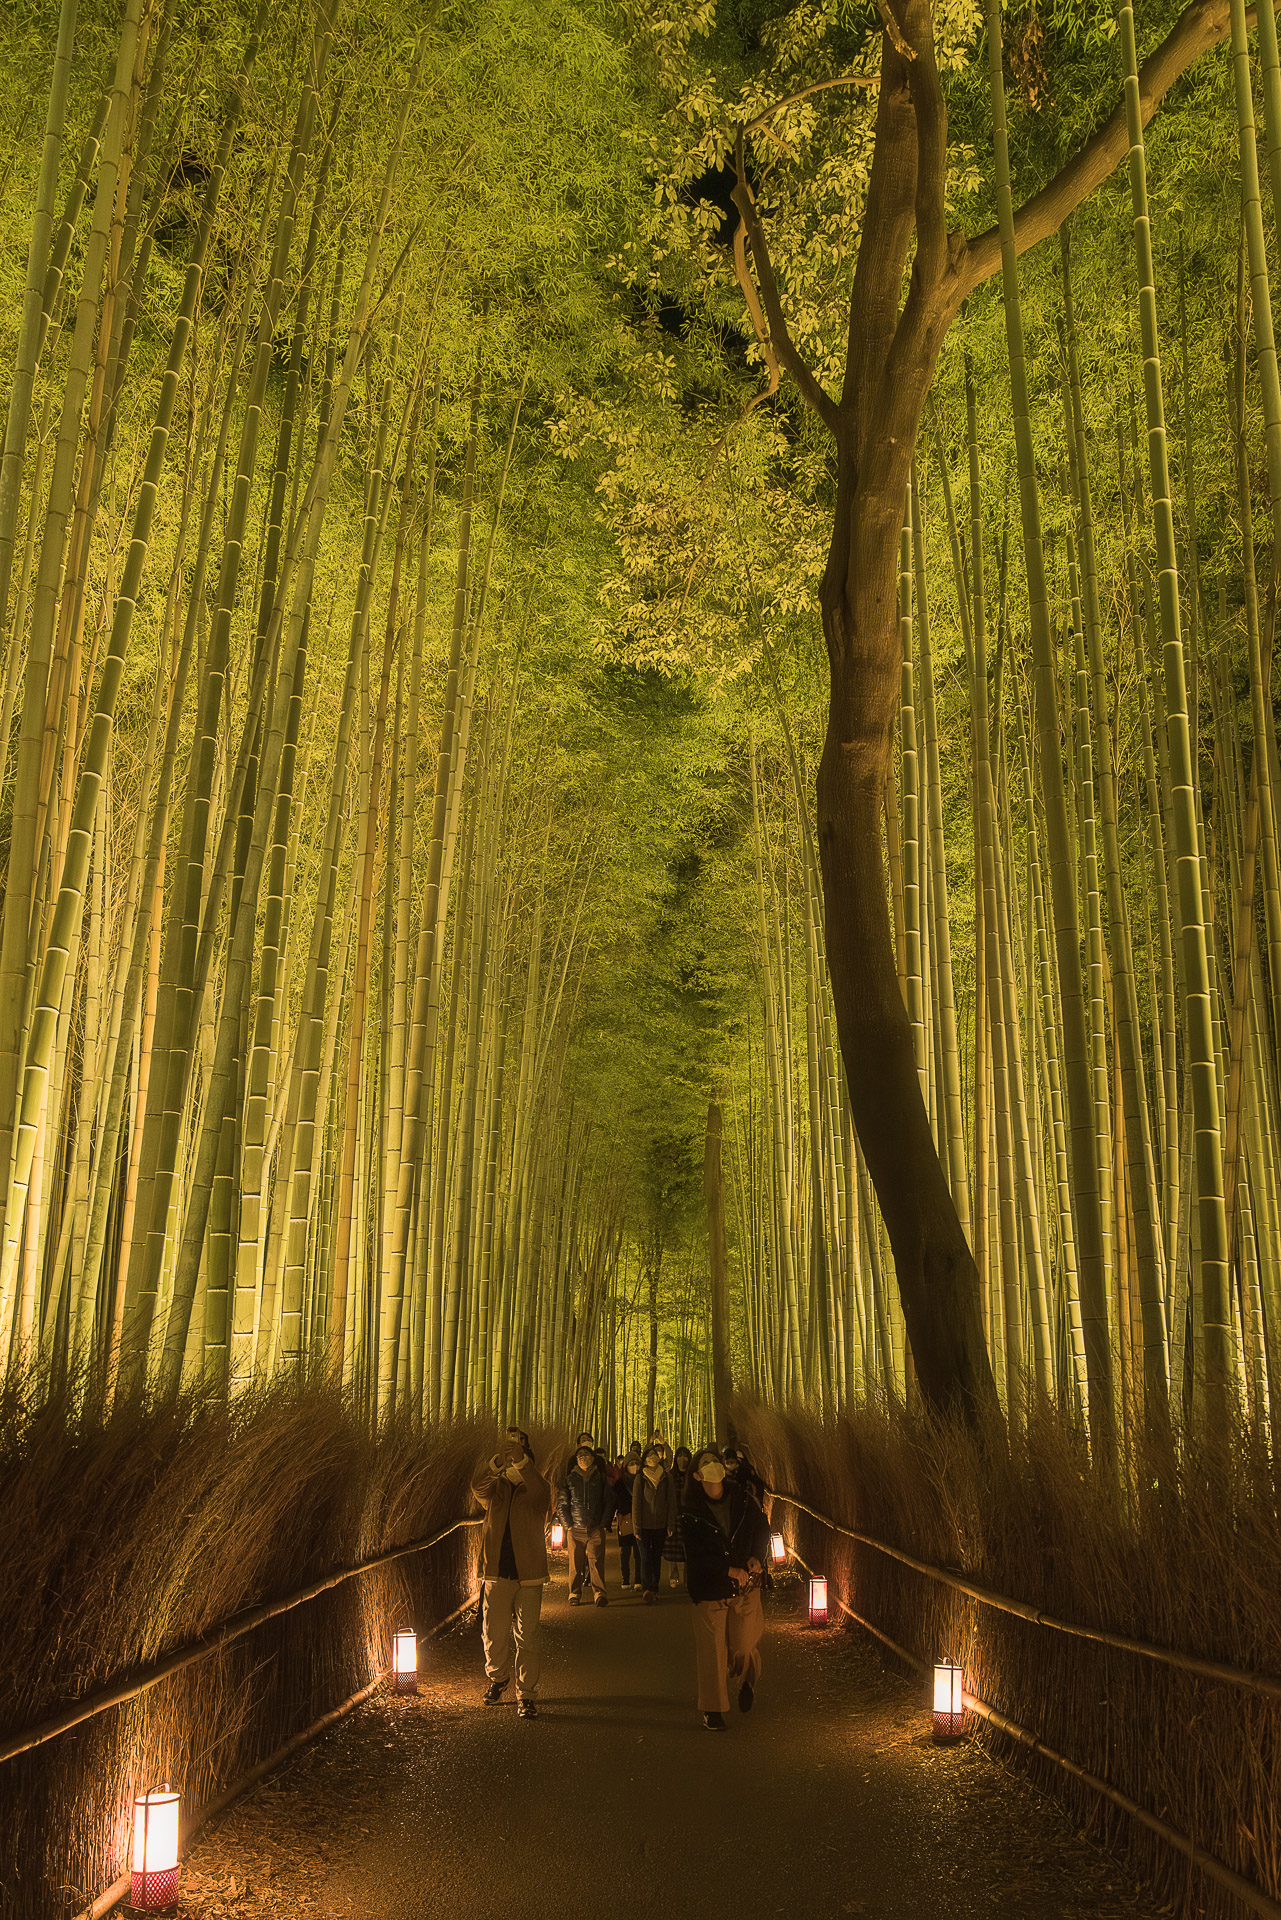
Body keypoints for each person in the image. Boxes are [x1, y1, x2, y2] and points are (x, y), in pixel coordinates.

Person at [680, 1445, 772, 1731]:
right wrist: (725, 1569)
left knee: (744, 1643)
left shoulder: (743, 1499)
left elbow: (762, 1528)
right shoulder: (690, 1513)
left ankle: (746, 1680)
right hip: (709, 1589)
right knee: (712, 1652)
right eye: (706, 1462)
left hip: (745, 1585)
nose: (713, 1465)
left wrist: (757, 1555)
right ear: (697, 1475)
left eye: (715, 1461)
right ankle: (713, 1709)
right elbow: (695, 1554)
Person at [470, 1428, 550, 1720]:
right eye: (510, 1458)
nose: (514, 1463)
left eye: (520, 1458)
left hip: (529, 1576)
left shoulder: (536, 1491)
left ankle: (526, 1694)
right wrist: (496, 1463)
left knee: (527, 1636)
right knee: (492, 1633)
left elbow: (542, 1492)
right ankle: (498, 1678)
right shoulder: (496, 1490)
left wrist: (521, 1464)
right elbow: (477, 1486)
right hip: (496, 1573)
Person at [556, 1440, 612, 1605]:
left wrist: (603, 1523)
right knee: (575, 1563)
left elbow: (609, 1501)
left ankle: (600, 1594)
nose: (583, 1458)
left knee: (596, 1562)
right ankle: (574, 1593)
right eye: (580, 1455)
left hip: (595, 1527)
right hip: (576, 1528)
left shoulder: (601, 1478)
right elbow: (562, 1504)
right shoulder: (569, 1479)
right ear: (576, 1459)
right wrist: (569, 1526)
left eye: (587, 1455)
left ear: (593, 1458)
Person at [631, 1442, 678, 1603]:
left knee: (656, 1557)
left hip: (661, 1525)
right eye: (649, 1455)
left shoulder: (666, 1476)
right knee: (645, 1557)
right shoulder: (640, 1477)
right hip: (644, 1525)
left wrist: (670, 1524)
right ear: (644, 1460)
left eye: (654, 1455)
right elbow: (636, 1503)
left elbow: (672, 1502)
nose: (652, 1457)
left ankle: (654, 1587)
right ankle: (647, 1588)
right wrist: (636, 1527)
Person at [665, 1445, 692, 1588]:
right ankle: (673, 1576)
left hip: (689, 1516)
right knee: (672, 1549)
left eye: (685, 1455)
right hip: (674, 1515)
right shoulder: (670, 1476)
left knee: (689, 1548)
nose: (682, 1459)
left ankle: (689, 1578)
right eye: (680, 1456)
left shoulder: (693, 1476)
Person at [615, 1452, 641, 1590]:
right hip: (624, 1520)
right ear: (625, 1466)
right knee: (625, 1551)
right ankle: (625, 1579)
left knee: (639, 1551)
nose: (634, 1466)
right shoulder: (620, 1483)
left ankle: (638, 1579)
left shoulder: (643, 1480)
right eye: (631, 1464)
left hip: (640, 1521)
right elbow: (614, 1501)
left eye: (637, 1463)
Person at [723, 1444, 768, 1509]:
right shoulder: (723, 1473)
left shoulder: (744, 1470)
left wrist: (757, 1497)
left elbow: (758, 1483)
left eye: (732, 1462)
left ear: (736, 1461)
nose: (729, 1465)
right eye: (727, 1463)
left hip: (744, 1499)